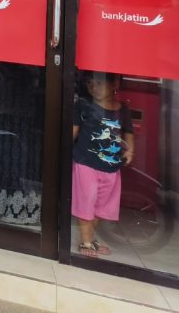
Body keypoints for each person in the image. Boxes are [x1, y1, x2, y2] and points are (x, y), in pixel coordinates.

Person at [72, 71, 134, 257]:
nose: (93, 86)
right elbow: (73, 131)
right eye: (90, 82)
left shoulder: (122, 110)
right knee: (86, 202)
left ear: (115, 84)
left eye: (99, 82)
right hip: (85, 163)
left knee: (101, 206)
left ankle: (89, 239)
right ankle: (86, 243)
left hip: (111, 167)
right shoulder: (83, 105)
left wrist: (130, 150)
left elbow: (128, 132)